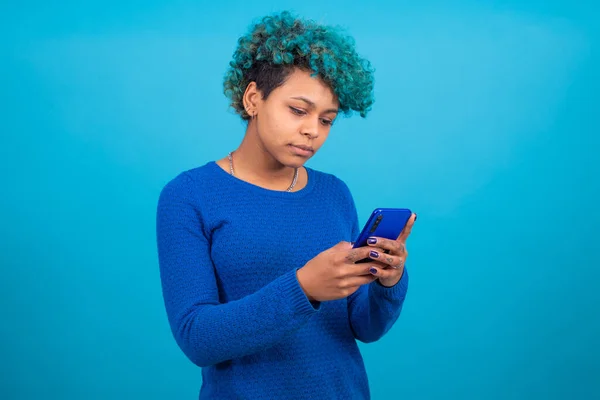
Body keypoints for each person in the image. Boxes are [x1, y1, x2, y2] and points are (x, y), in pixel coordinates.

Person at [156, 10, 417, 399]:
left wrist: (389, 281)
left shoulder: (334, 194)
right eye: (298, 110)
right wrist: (305, 288)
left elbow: (363, 326)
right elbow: (198, 337)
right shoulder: (188, 196)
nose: (312, 130)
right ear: (253, 98)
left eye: (327, 120)